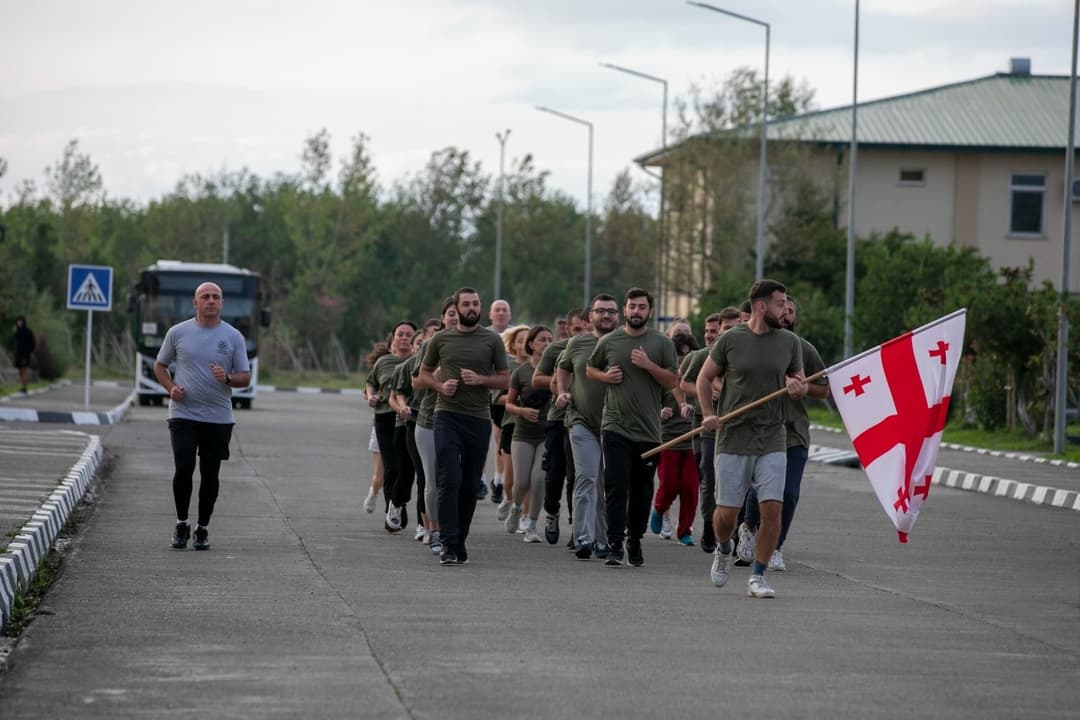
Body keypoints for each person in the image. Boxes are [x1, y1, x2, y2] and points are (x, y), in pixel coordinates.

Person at [697, 279, 806, 598]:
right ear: (761, 306)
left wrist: (798, 389)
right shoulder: (730, 340)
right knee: (726, 515)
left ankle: (758, 576)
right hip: (732, 436)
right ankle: (723, 548)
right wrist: (707, 413)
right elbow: (704, 378)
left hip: (773, 436)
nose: (785, 309)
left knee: (772, 508)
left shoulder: (790, 342)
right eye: (780, 303)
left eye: (787, 304)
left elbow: (798, 381)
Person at [586, 287, 679, 568]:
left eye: (641, 307)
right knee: (616, 486)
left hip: (649, 431)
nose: (636, 311)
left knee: (642, 491)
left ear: (649, 311)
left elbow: (672, 382)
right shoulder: (610, 341)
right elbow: (591, 369)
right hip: (615, 425)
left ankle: (634, 538)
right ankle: (614, 543)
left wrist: (649, 365)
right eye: (631, 306)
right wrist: (606, 376)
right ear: (624, 311)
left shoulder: (662, 344)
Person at [155, 282, 251, 551]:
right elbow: (160, 365)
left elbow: (246, 377)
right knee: (184, 469)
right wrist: (171, 388)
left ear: (222, 303)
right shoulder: (178, 333)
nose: (211, 301)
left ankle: (203, 528)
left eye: (216, 297)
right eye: (205, 297)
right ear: (195, 303)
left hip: (218, 418)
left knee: (210, 475)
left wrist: (228, 378)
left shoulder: (233, 337)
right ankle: (182, 523)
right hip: (183, 414)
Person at [419, 288, 509, 565]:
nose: (472, 308)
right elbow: (423, 373)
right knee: (449, 479)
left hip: (478, 418)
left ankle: (460, 540)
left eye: (476, 304)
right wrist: (439, 385)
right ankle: (447, 542)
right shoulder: (441, 340)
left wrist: (481, 380)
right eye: (466, 304)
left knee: (470, 484)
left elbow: (504, 379)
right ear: (456, 309)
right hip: (446, 414)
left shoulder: (492, 340)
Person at [740, 295, 830, 571]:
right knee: (761, 488)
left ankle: (775, 547)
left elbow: (823, 387)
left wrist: (804, 388)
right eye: (783, 309)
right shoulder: (754, 345)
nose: (786, 314)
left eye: (791, 311)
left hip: (794, 432)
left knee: (788, 493)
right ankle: (749, 528)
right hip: (761, 429)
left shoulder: (804, 349)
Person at [558, 295, 619, 559]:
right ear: (590, 317)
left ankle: (603, 539)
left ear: (618, 316)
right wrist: (562, 391)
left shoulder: (624, 343)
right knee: (587, 477)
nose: (606, 315)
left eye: (611, 311)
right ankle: (583, 537)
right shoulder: (577, 342)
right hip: (580, 419)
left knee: (606, 484)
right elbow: (563, 368)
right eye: (600, 311)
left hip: (616, 422)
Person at [679, 307, 739, 553]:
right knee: (709, 480)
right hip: (706, 428)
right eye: (715, 330)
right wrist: (706, 393)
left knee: (734, 483)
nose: (712, 335)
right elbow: (684, 383)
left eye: (718, 331)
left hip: (736, 428)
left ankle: (734, 530)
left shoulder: (744, 355)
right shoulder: (702, 356)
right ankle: (708, 524)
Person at [533, 306, 586, 546]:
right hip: (558, 416)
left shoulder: (599, 347)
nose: (580, 333)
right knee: (556, 472)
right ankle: (552, 512)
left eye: (585, 329)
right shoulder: (556, 349)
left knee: (578, 475)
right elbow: (537, 379)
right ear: (567, 328)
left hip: (585, 418)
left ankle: (578, 526)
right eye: (576, 329)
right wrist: (563, 382)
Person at [412, 298, 459, 557]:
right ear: (442, 317)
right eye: (450, 314)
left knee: (454, 480)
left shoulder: (474, 344)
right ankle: (435, 531)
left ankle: (454, 530)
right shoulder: (432, 344)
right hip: (430, 419)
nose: (454, 318)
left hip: (463, 419)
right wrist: (436, 378)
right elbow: (416, 383)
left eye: (458, 313)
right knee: (432, 480)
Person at [505, 325, 554, 543]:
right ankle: (516, 508)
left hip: (547, 434)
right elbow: (508, 403)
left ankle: (532, 525)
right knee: (522, 481)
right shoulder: (521, 372)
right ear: (532, 344)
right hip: (523, 434)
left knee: (539, 479)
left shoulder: (557, 371)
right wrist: (522, 411)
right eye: (542, 339)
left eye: (549, 339)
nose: (546, 343)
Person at [650, 332, 700, 546]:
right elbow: (648, 404)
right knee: (669, 484)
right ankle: (659, 508)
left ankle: (684, 530)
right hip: (668, 439)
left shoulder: (701, 378)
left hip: (693, 440)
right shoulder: (664, 378)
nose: (682, 360)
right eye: (678, 355)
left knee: (690, 486)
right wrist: (659, 412)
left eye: (686, 355)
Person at [368, 322, 417, 532]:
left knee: (407, 468)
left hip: (408, 419)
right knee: (391, 467)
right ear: (393, 338)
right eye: (400, 334)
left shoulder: (418, 362)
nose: (404, 337)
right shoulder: (384, 361)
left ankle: (399, 500)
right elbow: (370, 382)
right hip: (385, 418)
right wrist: (371, 396)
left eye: (408, 335)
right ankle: (393, 510)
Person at [486, 299, 513, 501]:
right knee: (493, 438)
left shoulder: (517, 335)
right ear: (490, 314)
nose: (501, 313)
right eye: (498, 310)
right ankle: (494, 479)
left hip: (508, 392)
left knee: (503, 439)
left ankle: (500, 481)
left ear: (510, 315)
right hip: (485, 391)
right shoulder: (483, 335)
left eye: (505, 310)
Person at [361, 340, 390, 513]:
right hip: (382, 424)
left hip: (407, 425)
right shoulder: (382, 366)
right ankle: (374, 491)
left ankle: (394, 508)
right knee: (381, 475)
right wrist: (374, 397)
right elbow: (366, 391)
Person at [11, 316, 36, 394]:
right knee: (20, 371)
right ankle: (22, 386)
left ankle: (25, 387)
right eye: (18, 321)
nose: (19, 323)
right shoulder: (17, 332)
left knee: (25, 370)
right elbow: (15, 341)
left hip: (25, 354)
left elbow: (33, 343)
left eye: (20, 321)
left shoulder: (28, 332)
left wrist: (29, 352)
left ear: (23, 322)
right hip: (18, 354)